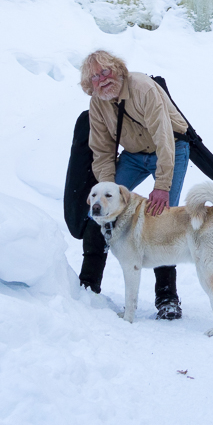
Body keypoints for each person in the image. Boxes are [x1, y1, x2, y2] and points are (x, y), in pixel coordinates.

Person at [78, 49, 190, 320]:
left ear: (118, 69)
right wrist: (107, 191)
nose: (102, 79)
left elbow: (165, 138)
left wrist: (162, 185)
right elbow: (102, 150)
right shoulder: (97, 103)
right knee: (101, 213)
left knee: (162, 218)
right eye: (94, 77)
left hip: (171, 150)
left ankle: (167, 298)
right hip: (134, 156)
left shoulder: (142, 88)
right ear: (88, 85)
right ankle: (87, 286)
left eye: (106, 71)